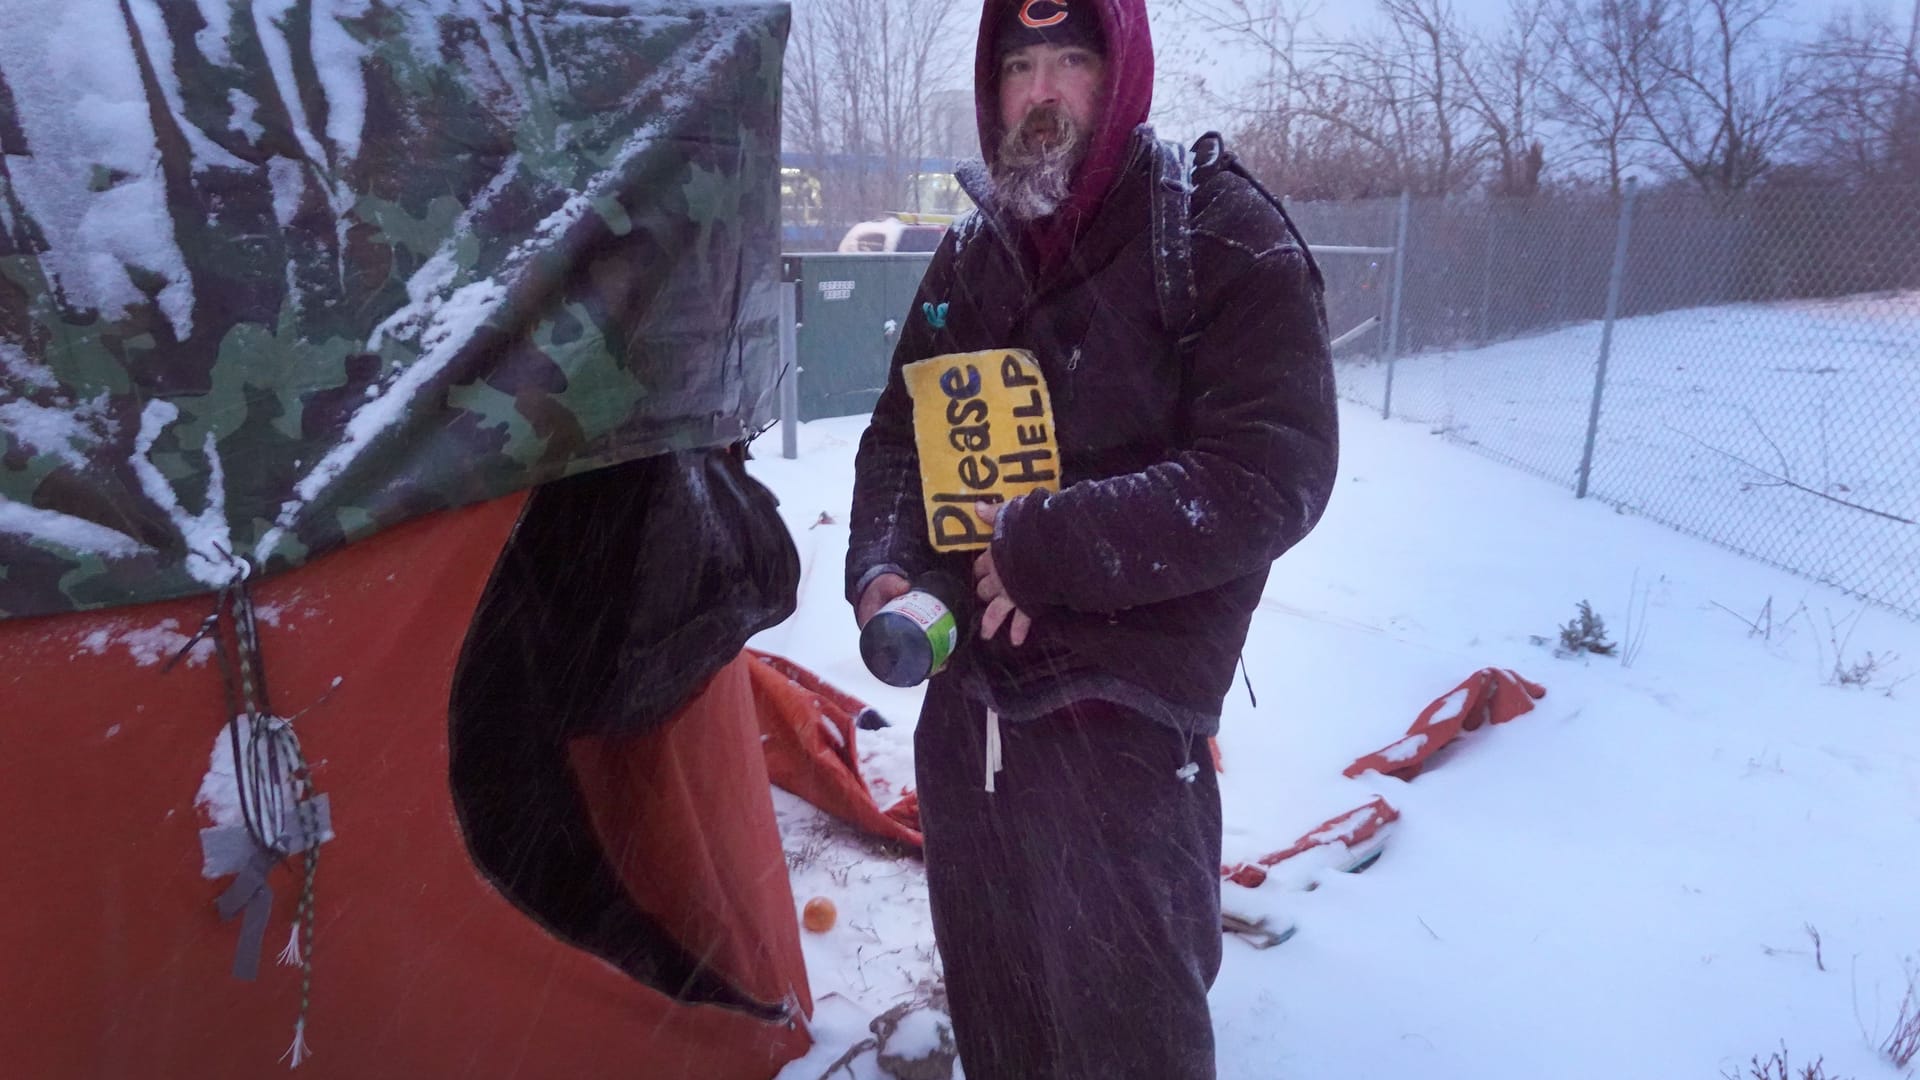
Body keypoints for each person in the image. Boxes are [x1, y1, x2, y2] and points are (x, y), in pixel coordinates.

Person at [845, 0, 1339, 1076]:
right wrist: (884, 567)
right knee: (1003, 1029)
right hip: (970, 724)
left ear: (1124, 75)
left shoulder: (1214, 235)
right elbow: (899, 432)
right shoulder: (973, 255)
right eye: (1020, 65)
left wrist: (1047, 548)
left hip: (1120, 743)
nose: (1043, 94)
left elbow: (1272, 472)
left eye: (1073, 60)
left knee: (1126, 1046)